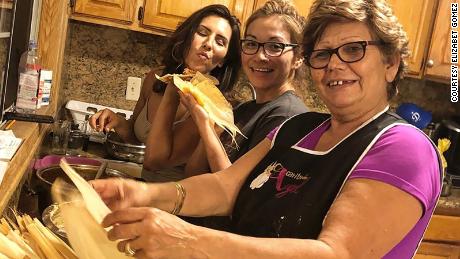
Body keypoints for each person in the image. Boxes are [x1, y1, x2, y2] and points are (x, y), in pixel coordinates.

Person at [91, 0, 442, 258]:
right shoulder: (298, 128)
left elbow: (335, 253)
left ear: (391, 63)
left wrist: (187, 240)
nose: (334, 64)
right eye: (322, 53)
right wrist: (143, 195)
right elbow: (225, 187)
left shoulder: (402, 147)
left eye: (353, 50)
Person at [153, 0, 308, 177]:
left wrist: (204, 125)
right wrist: (211, 127)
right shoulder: (242, 110)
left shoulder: (288, 117)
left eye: (275, 46)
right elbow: (194, 174)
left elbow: (238, 191)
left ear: (298, 57)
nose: (259, 56)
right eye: (251, 43)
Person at [89, 5, 241, 182]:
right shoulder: (156, 78)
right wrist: (117, 121)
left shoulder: (210, 107)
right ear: (186, 37)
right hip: (143, 190)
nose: (209, 44)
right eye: (202, 32)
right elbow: (136, 136)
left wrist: (172, 92)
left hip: (174, 204)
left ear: (222, 61)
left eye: (220, 42)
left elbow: (153, 161)